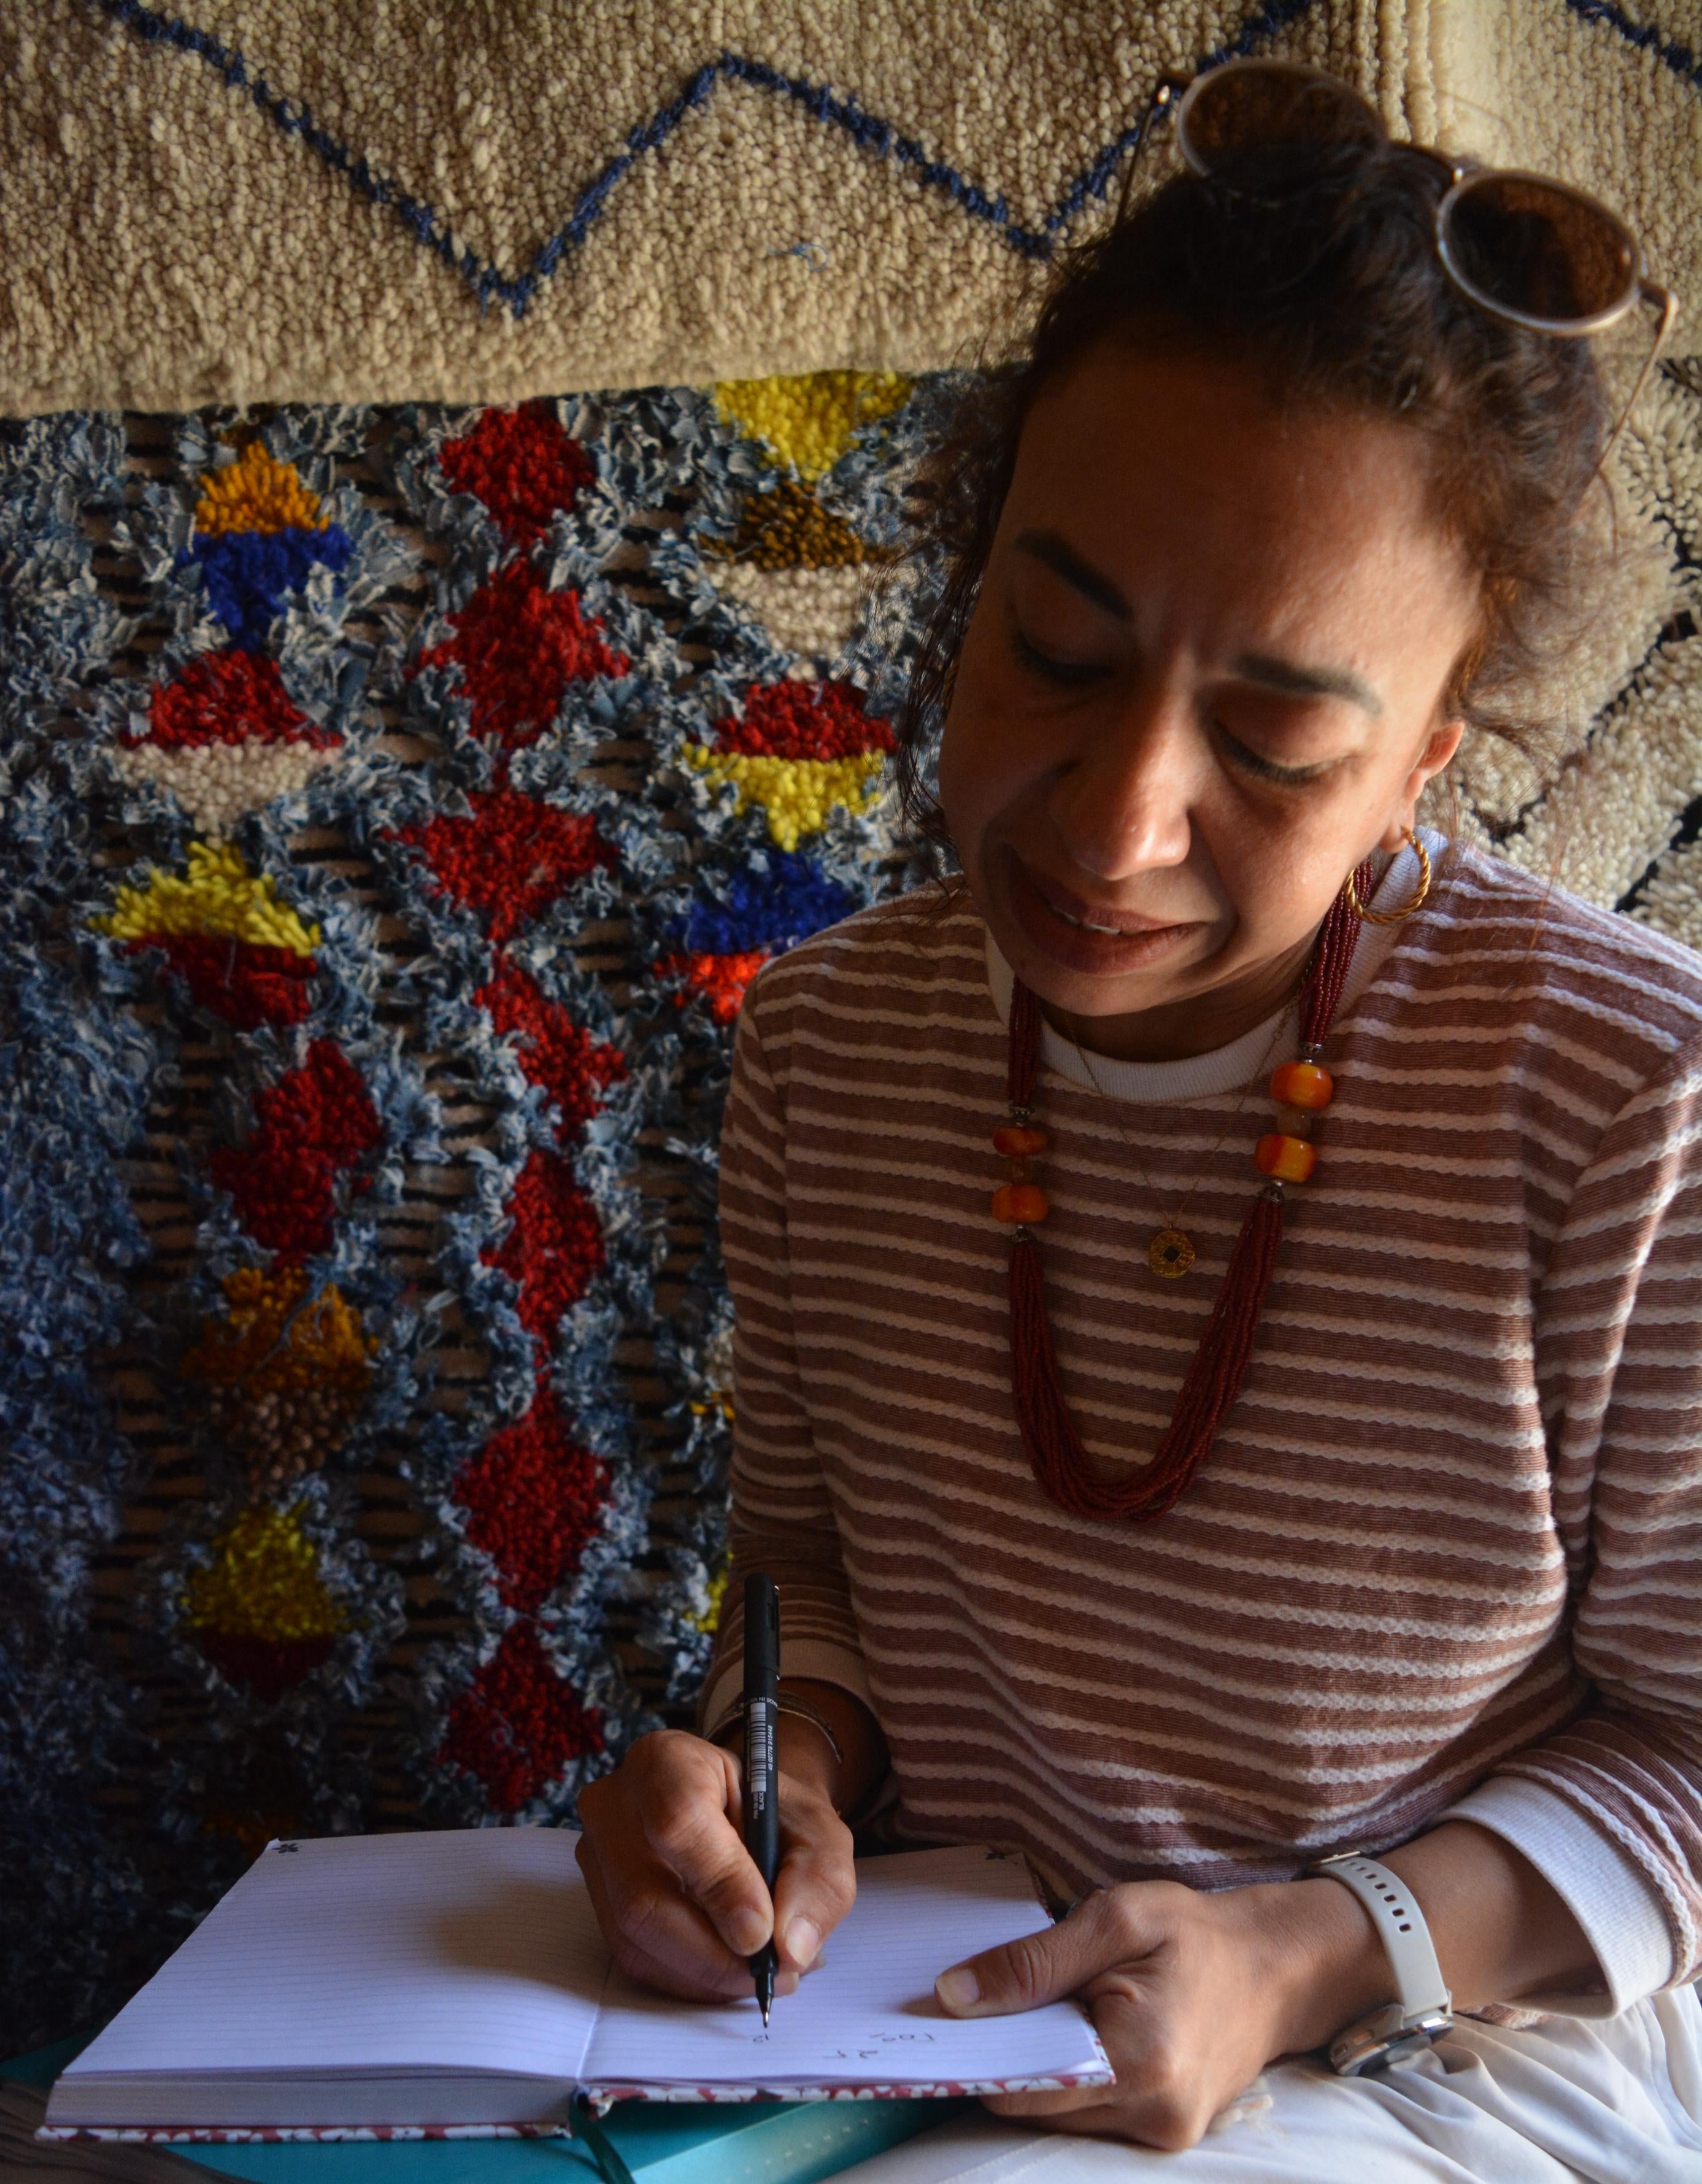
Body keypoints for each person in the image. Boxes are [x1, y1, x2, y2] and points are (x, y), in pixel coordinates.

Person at [577, 61, 1702, 2177]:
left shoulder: (1632, 1098)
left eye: (1274, 743)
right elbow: (814, 1576)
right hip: (948, 2012)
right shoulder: (824, 1049)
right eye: (1056, 649)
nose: (1116, 823)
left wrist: (1309, 1953)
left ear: (1428, 758)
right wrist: (776, 1778)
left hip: (1463, 2043)